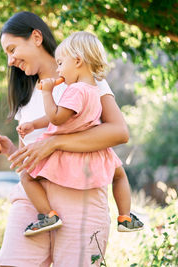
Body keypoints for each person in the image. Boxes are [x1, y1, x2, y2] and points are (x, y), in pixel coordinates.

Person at [0, 11, 131, 266]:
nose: (9, 61)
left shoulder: (87, 81)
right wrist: (10, 150)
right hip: (34, 199)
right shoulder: (27, 95)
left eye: (12, 49)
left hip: (80, 193)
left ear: (36, 37)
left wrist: (54, 142)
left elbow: (119, 132)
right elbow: (31, 158)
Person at [16, 31, 143, 236]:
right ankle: (125, 216)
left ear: (77, 61)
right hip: (95, 150)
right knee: (119, 175)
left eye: (60, 63)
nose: (58, 70)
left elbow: (57, 118)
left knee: (26, 177)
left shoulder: (75, 90)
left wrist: (47, 92)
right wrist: (34, 124)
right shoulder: (93, 89)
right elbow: (65, 115)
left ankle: (48, 215)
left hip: (66, 152)